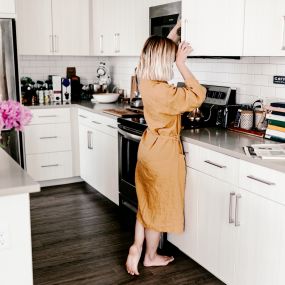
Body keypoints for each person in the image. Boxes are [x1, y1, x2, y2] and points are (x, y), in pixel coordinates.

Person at [125, 25, 206, 276]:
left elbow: (153, 51)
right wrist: (182, 63)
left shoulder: (145, 78)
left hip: (149, 147)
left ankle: (137, 247)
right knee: (158, 206)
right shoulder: (166, 92)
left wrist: (173, 32)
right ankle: (149, 256)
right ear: (166, 60)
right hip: (164, 154)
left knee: (147, 202)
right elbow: (198, 94)